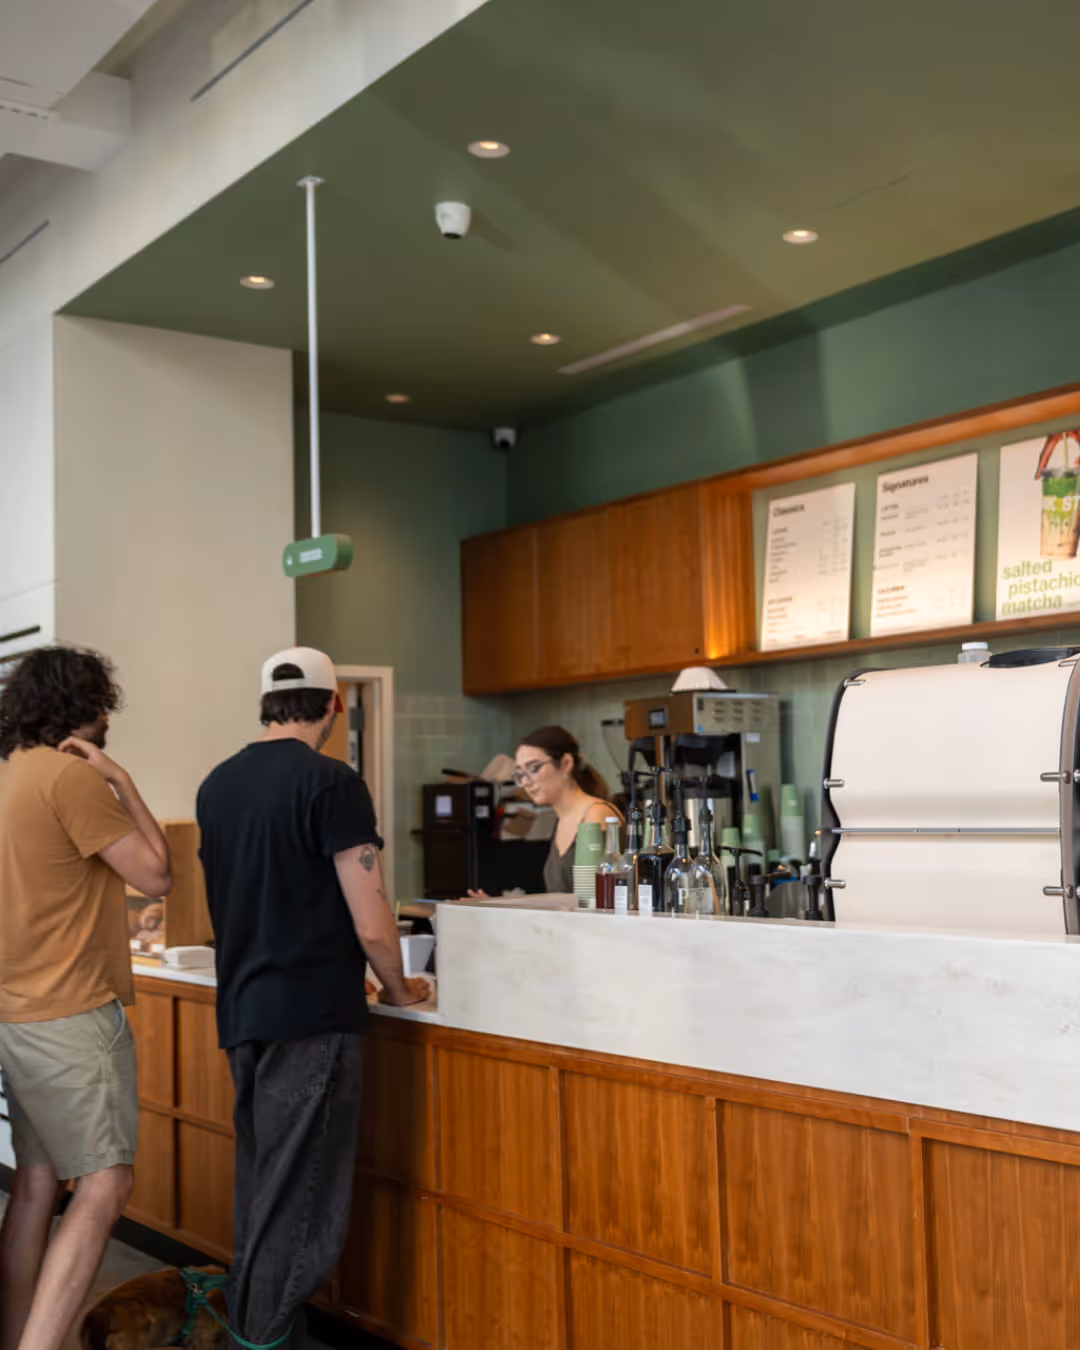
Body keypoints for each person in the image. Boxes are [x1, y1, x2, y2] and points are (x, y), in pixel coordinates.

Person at [196, 646, 427, 1350]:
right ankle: (259, 1340)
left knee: (265, 1189)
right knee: (302, 1201)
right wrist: (399, 986)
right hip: (312, 1018)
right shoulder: (333, 783)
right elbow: (371, 917)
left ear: (265, 706)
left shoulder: (217, 785)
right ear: (334, 705)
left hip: (243, 1011)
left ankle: (261, 1330)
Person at [0, 646, 172, 1350]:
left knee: (36, 1184)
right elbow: (158, 873)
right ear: (81, 709)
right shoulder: (70, 779)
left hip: (16, 1011)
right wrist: (122, 781)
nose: (108, 720)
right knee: (104, 1186)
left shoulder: (9, 774)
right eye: (103, 705)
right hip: (71, 1011)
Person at [512, 725, 623, 894]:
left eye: (534, 768)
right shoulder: (561, 819)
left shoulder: (596, 814)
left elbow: (593, 898)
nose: (525, 782)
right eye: (520, 773)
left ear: (566, 764)